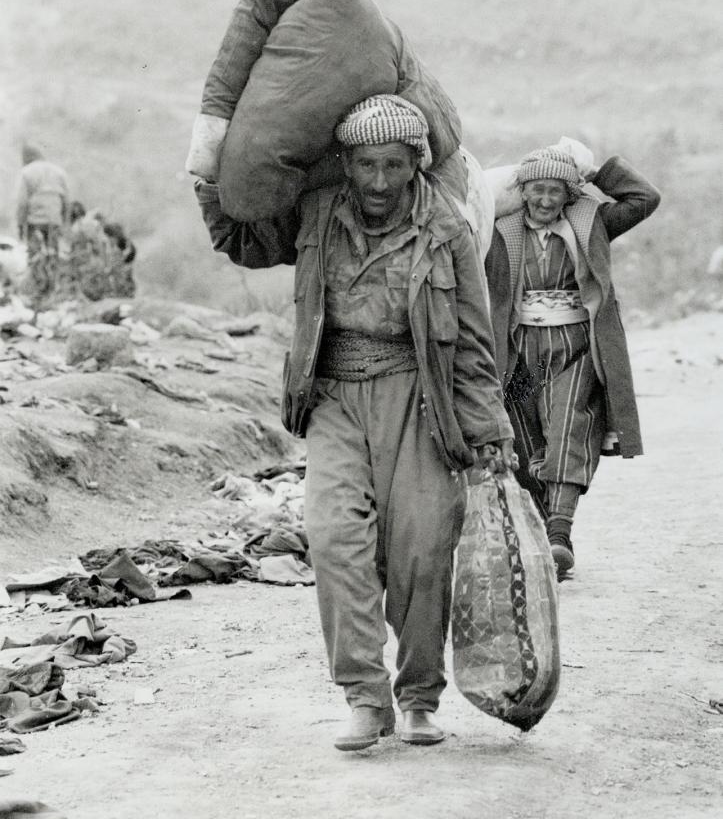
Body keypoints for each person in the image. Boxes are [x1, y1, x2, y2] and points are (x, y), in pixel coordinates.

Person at [195, 94, 515, 750]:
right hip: (334, 395)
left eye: (392, 166)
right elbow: (242, 236)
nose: (376, 182)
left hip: (418, 399)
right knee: (334, 539)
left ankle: (419, 696)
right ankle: (365, 699)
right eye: (365, 164)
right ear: (345, 162)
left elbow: (476, 348)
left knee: (423, 546)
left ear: (415, 165)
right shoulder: (314, 212)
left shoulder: (446, 232)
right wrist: (209, 174)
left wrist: (488, 435)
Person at [485, 145, 661, 579]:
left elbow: (644, 198)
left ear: (569, 196)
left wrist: (596, 170)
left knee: (569, 423)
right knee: (523, 434)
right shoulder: (499, 233)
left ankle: (560, 532)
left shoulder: (591, 226)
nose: (546, 201)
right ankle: (545, 529)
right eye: (537, 190)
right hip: (520, 352)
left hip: (575, 348)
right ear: (522, 193)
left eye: (556, 191)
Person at [15, 144, 70, 305]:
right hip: (54, 221)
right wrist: (64, 222)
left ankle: (37, 294)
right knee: (53, 256)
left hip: (35, 221)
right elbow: (67, 200)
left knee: (36, 257)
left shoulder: (26, 172)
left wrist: (20, 225)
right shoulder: (59, 172)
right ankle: (52, 292)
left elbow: (22, 203)